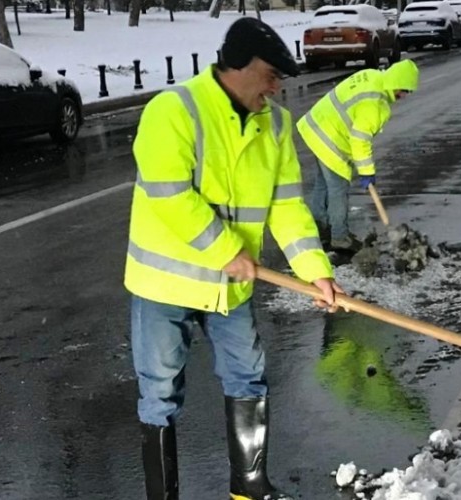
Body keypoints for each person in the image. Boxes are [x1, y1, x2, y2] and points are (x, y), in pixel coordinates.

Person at [125, 17, 344, 500]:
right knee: (160, 393)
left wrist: (316, 272)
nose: (276, 86)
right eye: (270, 74)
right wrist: (225, 250)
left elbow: (287, 206)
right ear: (238, 66)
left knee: (248, 375)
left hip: (231, 287)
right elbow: (169, 193)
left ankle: (249, 487)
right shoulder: (173, 110)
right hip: (165, 282)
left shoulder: (277, 125)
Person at [297, 60, 420, 252]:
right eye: (404, 91)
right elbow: (360, 140)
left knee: (323, 184)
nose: (404, 96)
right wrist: (367, 173)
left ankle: (319, 228)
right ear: (397, 84)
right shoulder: (375, 105)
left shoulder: (373, 75)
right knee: (338, 188)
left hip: (316, 127)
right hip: (330, 138)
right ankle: (339, 237)